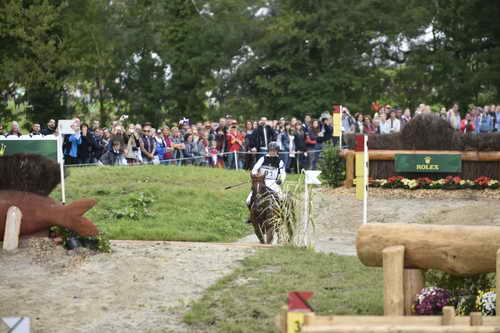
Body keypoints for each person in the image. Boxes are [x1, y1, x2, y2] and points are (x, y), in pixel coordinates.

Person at [245, 142, 286, 223]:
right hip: (261, 181)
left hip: (273, 183)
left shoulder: (280, 161)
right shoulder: (263, 158)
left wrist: (281, 179)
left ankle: (281, 214)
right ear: (268, 150)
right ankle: (251, 215)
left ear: (277, 151)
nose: (272, 152)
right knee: (248, 200)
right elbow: (255, 169)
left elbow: (283, 173)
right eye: (271, 150)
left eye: (274, 151)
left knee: (281, 198)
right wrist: (255, 176)